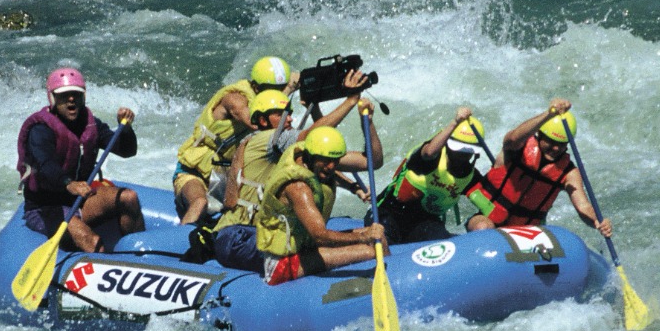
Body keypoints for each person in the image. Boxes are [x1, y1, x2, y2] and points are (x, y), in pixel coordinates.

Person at [16, 67, 144, 253]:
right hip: (46, 208)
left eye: (76, 94)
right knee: (94, 244)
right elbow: (44, 166)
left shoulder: (90, 124)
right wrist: (69, 184)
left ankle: (139, 257)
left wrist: (125, 129)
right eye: (64, 95)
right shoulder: (40, 130)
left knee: (128, 197)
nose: (71, 99)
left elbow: (126, 151)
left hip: (79, 200)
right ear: (52, 99)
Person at [254, 116, 386, 286]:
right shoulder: (298, 188)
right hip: (282, 263)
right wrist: (362, 236)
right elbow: (320, 237)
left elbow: (367, 162)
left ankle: (395, 281)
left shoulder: (306, 154)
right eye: (325, 160)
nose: (331, 166)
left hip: (305, 248)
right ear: (311, 156)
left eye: (335, 160)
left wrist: (353, 187)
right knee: (369, 251)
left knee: (379, 238)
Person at [172, 55, 294, 226]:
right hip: (193, 172)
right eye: (273, 90)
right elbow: (255, 122)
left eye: (280, 89)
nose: (277, 94)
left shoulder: (266, 99)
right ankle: (182, 245)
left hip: (225, 177)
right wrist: (286, 94)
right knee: (200, 203)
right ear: (257, 86)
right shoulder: (235, 99)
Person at [479, 98, 612, 238]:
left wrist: (597, 221)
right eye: (551, 142)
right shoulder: (517, 148)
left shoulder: (569, 172)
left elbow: (583, 206)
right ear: (540, 135)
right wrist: (549, 114)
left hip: (527, 232)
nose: (556, 148)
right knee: (482, 227)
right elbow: (512, 138)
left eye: (561, 144)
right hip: (491, 221)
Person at [374, 106, 500, 245]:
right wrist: (455, 122)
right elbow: (429, 152)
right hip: (388, 215)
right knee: (383, 242)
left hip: (423, 223)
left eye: (467, 152)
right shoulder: (428, 160)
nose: (461, 156)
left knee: (442, 239)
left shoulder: (470, 176)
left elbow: (491, 205)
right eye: (458, 150)